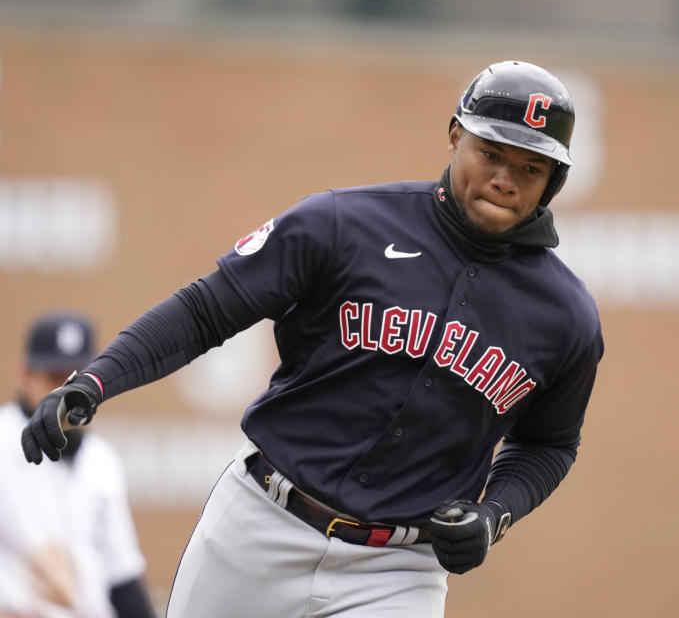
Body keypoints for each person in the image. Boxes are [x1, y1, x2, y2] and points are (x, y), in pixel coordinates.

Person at [21, 60, 604, 617]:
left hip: (397, 570)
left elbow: (548, 444)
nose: (505, 180)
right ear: (455, 136)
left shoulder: (566, 316)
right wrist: (97, 379)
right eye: (491, 153)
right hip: (259, 527)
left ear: (555, 179)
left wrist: (495, 513)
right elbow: (206, 310)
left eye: (530, 167)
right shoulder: (344, 224)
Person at [0, 312, 154, 618]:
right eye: (54, 377)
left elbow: (121, 578)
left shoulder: (101, 460)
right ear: (24, 373)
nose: (64, 392)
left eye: (76, 378)